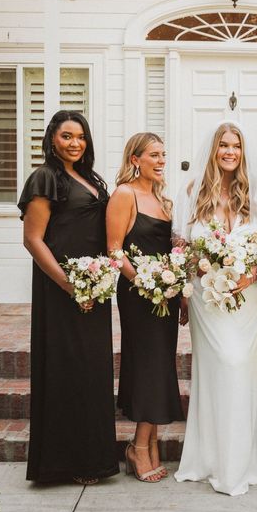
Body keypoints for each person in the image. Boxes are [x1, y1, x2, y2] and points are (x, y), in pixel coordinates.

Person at [173, 121, 257, 496]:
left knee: (242, 368)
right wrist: (187, 293)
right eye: (223, 145)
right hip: (208, 299)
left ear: (243, 151)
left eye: (236, 145)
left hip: (250, 298)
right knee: (219, 368)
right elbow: (183, 248)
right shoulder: (193, 192)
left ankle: (242, 457)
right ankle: (211, 456)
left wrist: (246, 279)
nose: (230, 152)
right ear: (213, 150)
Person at [18, 110, 119, 484]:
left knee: (92, 372)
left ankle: (93, 459)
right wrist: (68, 285)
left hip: (95, 289)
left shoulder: (90, 178)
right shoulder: (45, 177)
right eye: (66, 136)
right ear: (52, 139)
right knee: (67, 370)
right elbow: (33, 239)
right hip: (62, 291)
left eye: (80, 136)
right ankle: (66, 463)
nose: (75, 143)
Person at [106, 133, 184, 483]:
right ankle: (139, 447)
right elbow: (114, 249)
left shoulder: (162, 199)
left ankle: (148, 444)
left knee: (159, 365)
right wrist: (144, 282)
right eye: (153, 154)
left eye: (163, 154)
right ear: (135, 159)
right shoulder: (125, 194)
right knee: (149, 366)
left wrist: (177, 291)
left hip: (165, 295)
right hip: (139, 295)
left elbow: (170, 252)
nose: (161, 160)